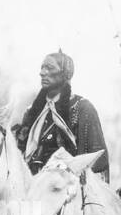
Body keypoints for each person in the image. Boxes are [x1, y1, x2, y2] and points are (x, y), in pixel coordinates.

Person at [13, 48, 108, 176]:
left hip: (66, 190)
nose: (42, 73)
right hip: (31, 188)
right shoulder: (32, 112)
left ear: (66, 74)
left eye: (49, 68)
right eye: (42, 68)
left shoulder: (82, 108)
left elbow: (98, 161)